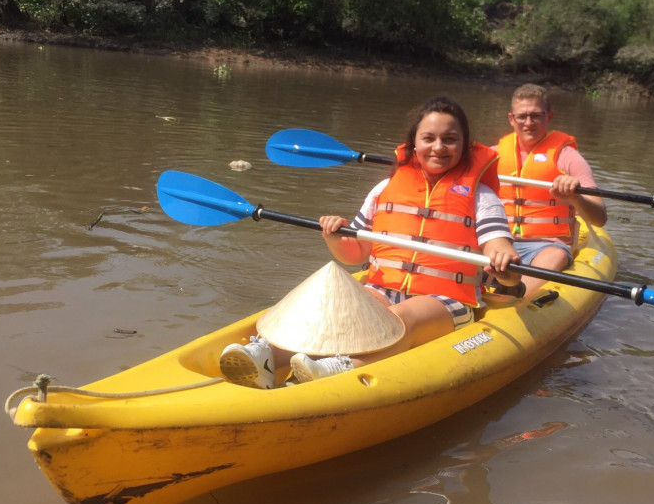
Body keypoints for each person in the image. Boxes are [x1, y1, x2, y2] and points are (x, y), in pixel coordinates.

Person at [219, 95, 521, 387]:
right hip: (383, 288)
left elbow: (499, 249)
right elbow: (355, 253)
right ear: (414, 143)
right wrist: (334, 236)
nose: (438, 147)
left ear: (465, 145)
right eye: (429, 138)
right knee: (338, 309)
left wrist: (503, 260)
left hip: (447, 301)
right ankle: (269, 356)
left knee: (402, 318)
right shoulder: (385, 188)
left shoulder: (482, 196)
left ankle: (343, 369)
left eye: (450, 139)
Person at [495, 84, 607, 295]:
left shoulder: (568, 158)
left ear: (549, 116)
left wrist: (576, 198)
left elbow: (600, 218)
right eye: (522, 117)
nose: (529, 123)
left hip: (547, 245)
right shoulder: (494, 155)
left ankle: (518, 295)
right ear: (512, 119)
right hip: (501, 240)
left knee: (555, 256)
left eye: (536, 116)